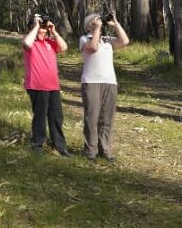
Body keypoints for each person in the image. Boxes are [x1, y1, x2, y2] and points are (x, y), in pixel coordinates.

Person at [79, 12, 129, 161]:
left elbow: (125, 41)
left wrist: (116, 24)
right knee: (92, 117)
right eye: (95, 21)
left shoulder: (108, 41)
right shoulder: (84, 39)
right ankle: (90, 150)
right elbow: (93, 48)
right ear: (89, 26)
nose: (100, 23)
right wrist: (96, 30)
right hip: (91, 82)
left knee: (107, 118)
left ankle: (105, 149)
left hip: (110, 82)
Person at [21, 14, 71, 156]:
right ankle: (37, 143)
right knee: (40, 116)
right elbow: (26, 44)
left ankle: (60, 146)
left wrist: (53, 31)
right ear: (31, 27)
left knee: (56, 116)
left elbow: (64, 47)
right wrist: (36, 26)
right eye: (40, 26)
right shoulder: (29, 42)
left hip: (53, 86)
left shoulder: (50, 42)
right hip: (36, 85)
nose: (43, 28)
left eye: (44, 26)